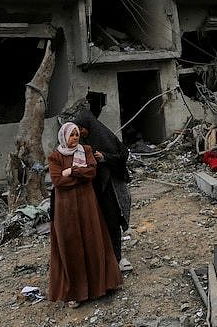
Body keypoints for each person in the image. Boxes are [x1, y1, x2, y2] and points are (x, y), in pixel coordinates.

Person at [47, 122, 123, 308]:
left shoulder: (86, 150)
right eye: (71, 135)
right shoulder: (55, 156)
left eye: (76, 134)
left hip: (88, 204)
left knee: (92, 240)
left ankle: (101, 286)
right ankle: (76, 293)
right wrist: (79, 177)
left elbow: (91, 172)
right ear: (63, 137)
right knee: (71, 245)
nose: (75, 138)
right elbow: (58, 181)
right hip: (65, 209)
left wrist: (72, 171)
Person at [73, 109, 132, 269]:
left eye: (81, 129)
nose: (80, 132)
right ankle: (107, 256)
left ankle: (117, 256)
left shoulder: (103, 136)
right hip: (97, 187)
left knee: (113, 221)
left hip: (111, 187)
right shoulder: (86, 139)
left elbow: (123, 155)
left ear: (87, 125)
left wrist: (105, 157)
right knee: (101, 223)